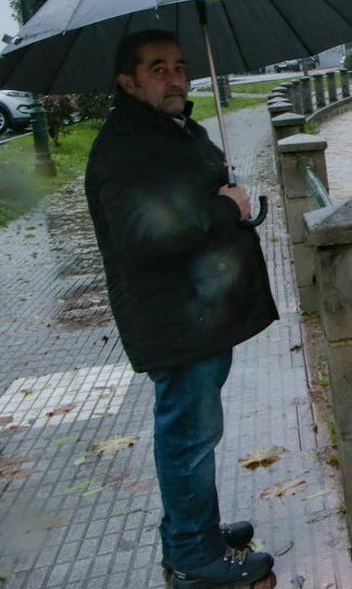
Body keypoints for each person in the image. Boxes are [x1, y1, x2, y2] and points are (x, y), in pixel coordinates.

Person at [85, 29, 278, 589]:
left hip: (191, 314)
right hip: (172, 318)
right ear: (128, 81)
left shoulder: (167, 129)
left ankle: (193, 534)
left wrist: (227, 195)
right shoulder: (126, 146)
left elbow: (189, 199)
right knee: (188, 434)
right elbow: (141, 236)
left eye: (178, 65)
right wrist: (220, 210)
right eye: (157, 69)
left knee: (194, 431)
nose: (174, 77)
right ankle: (195, 557)